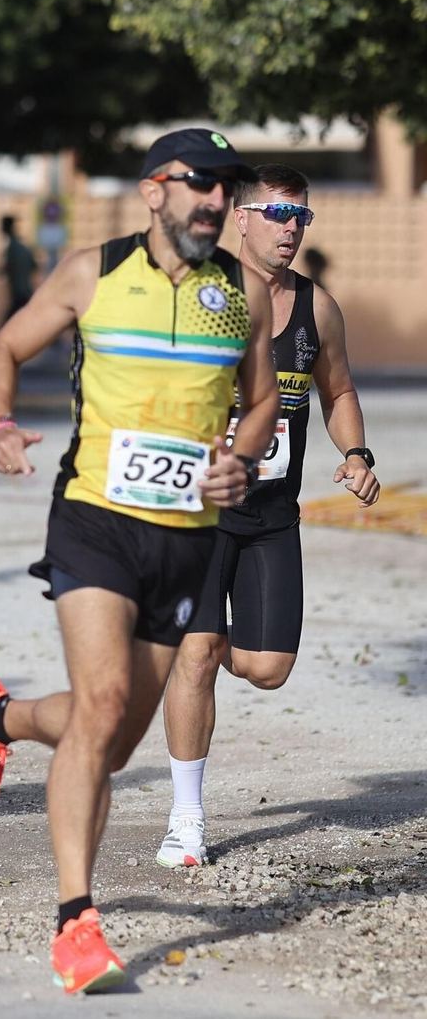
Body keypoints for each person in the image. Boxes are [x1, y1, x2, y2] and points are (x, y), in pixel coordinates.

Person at [0, 129, 278, 994]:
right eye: (201, 185)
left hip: (188, 534)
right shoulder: (94, 272)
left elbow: (264, 398)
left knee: (117, 735)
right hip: (94, 517)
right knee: (99, 704)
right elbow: (1, 351)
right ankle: (76, 920)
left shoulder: (242, 290)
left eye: (226, 189)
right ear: (154, 191)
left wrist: (241, 455)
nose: (216, 201)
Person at [157, 165, 381, 869]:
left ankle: (195, 641)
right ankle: (186, 820)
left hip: (273, 516)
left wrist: (356, 452)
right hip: (200, 514)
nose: (291, 228)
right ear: (241, 218)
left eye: (301, 217)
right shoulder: (198, 297)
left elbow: (338, 389)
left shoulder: (319, 309)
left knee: (266, 668)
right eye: (279, 213)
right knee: (197, 656)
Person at [1, 215, 37, 324]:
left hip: (21, 295)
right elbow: (33, 266)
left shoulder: (14, 249)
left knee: (4, 333)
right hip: (23, 294)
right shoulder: (19, 247)